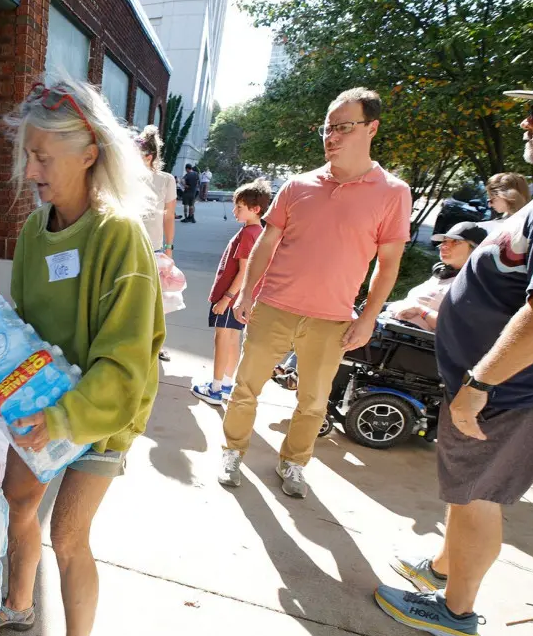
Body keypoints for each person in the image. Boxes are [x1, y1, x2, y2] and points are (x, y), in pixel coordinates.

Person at [376, 52, 533, 636]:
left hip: (516, 391)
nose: (526, 122)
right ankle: (444, 567)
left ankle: (455, 612)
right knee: (467, 488)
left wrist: (480, 385)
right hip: (505, 385)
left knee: (478, 496)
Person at [0, 79, 164, 636]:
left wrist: (64, 417)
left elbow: (124, 365)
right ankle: (18, 605)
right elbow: (24, 329)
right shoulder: (35, 233)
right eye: (27, 156)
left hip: (101, 414)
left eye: (44, 157)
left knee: (68, 536)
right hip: (41, 406)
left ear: (89, 152)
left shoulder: (119, 237)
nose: (31, 171)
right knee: (18, 499)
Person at [218, 87, 412, 498]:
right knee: (245, 387)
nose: (332, 136)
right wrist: (247, 292)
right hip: (273, 306)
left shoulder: (393, 192)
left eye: (344, 127)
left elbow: (388, 263)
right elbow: (266, 244)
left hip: (332, 318)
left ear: (371, 128)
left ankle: (293, 463)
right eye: (328, 128)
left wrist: (368, 316)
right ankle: (232, 450)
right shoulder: (297, 185)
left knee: (313, 401)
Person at [192, 179, 272, 406]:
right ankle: (227, 384)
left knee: (222, 340)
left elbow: (244, 271)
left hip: (232, 298)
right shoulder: (258, 231)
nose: (235, 210)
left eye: (239, 207)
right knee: (234, 340)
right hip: (242, 299)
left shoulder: (248, 234)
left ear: (255, 209)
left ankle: (215, 387)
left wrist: (226, 298)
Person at [382, 221, 487, 331]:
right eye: (445, 241)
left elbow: (453, 329)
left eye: (456, 242)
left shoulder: (470, 286)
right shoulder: (442, 274)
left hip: (401, 339)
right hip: (386, 324)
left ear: (475, 250)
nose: (444, 246)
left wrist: (420, 310)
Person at [135, 125, 177, 362]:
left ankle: (156, 342)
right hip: (130, 242)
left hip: (154, 247)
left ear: (149, 156)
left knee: (156, 298)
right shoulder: (125, 177)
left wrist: (169, 249)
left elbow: (169, 216)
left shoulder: (165, 180)